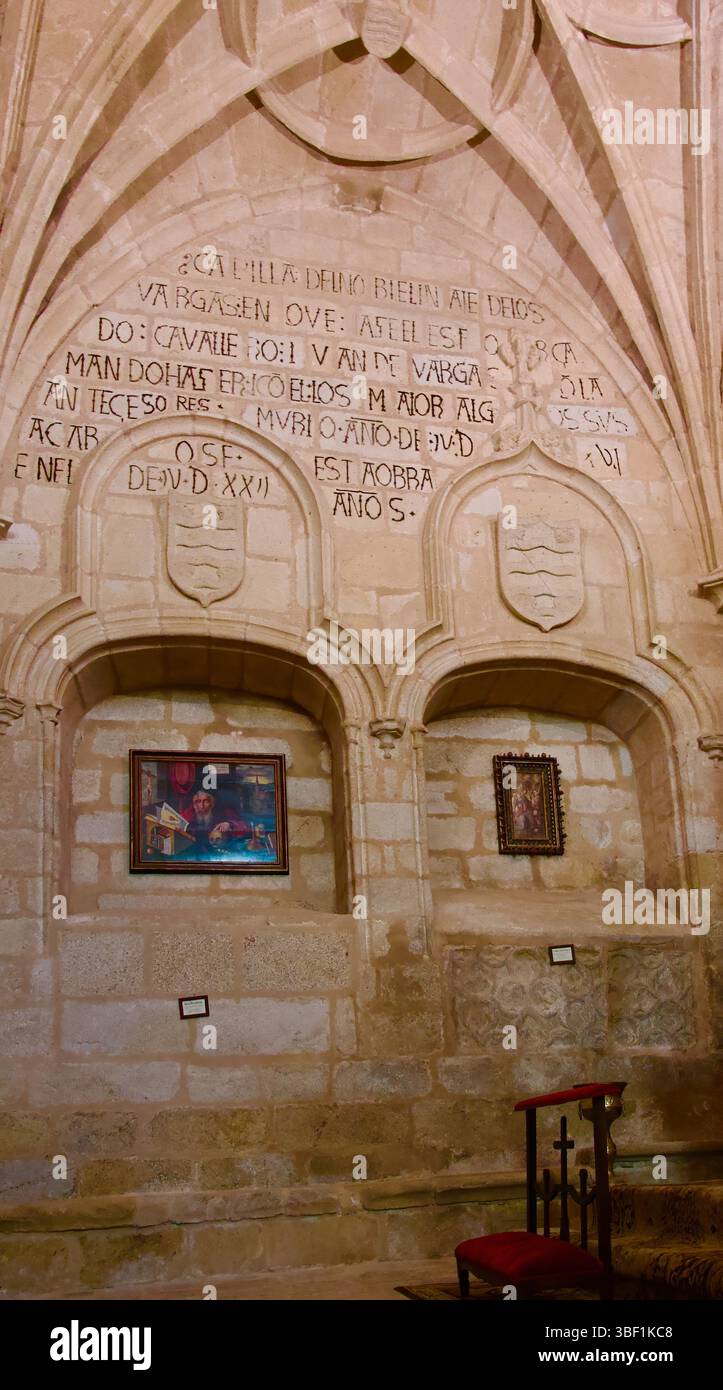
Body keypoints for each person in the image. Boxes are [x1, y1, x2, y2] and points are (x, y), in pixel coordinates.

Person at [186, 790, 251, 846]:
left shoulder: (225, 812)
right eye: (198, 802)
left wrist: (229, 824)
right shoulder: (190, 819)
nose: (201, 806)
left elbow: (244, 826)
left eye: (205, 801)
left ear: (212, 803)